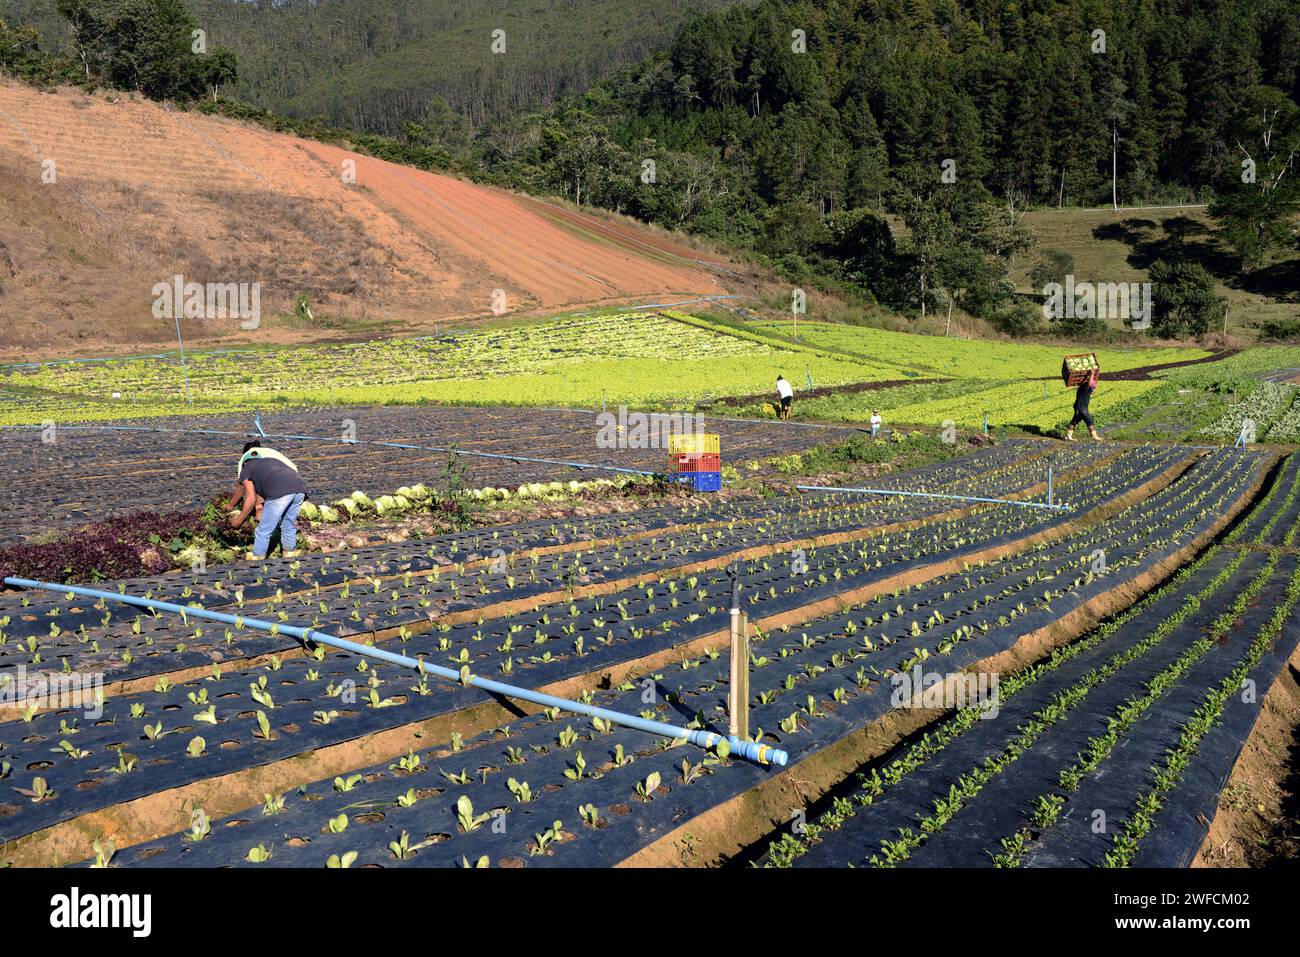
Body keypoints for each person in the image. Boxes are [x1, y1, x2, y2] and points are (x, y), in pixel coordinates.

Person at [227, 441, 310, 559]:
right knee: (288, 523)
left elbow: (249, 497)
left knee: (265, 528)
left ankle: (258, 554)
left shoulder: (247, 468)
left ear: (245, 461)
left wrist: (238, 520)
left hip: (280, 490)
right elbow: (260, 491)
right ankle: (289, 551)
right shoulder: (268, 463)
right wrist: (259, 509)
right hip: (299, 487)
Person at [1065, 368, 1102, 442]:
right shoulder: (1086, 387)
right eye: (1094, 387)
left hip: (1080, 407)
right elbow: (1089, 383)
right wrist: (1092, 373)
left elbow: (1090, 385)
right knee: (1089, 420)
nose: (1094, 389)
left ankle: (1068, 436)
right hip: (1081, 407)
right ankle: (1094, 436)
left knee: (1075, 420)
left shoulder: (1084, 388)